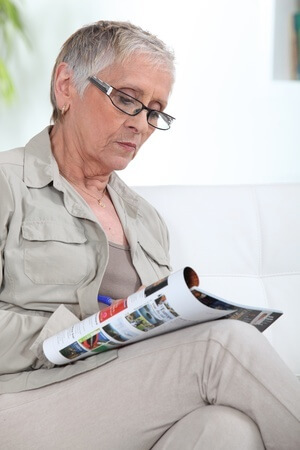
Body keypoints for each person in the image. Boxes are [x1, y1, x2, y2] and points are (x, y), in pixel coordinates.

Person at [0, 20, 299, 450]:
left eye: (154, 111)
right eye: (127, 99)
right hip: (23, 401)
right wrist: (77, 334)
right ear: (66, 86)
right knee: (223, 346)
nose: (141, 125)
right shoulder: (7, 182)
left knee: (228, 429)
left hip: (118, 396)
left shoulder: (146, 220)